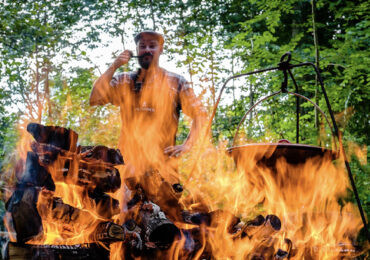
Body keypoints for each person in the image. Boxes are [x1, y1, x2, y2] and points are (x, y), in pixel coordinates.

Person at [89, 31, 206, 195]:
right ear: (136, 50)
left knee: (167, 216)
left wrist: (187, 144)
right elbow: (94, 98)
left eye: (152, 45)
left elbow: (200, 115)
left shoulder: (176, 82)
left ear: (161, 49)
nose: (147, 50)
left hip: (165, 167)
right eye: (142, 46)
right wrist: (114, 66)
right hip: (128, 164)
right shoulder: (124, 80)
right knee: (126, 213)